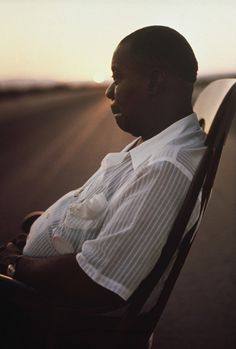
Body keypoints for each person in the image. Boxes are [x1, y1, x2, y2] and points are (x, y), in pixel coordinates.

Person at [0, 26, 206, 313]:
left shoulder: (165, 169)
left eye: (117, 76)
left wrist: (15, 265)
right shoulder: (151, 144)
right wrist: (42, 229)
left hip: (45, 318)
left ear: (155, 81)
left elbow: (98, 282)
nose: (109, 91)